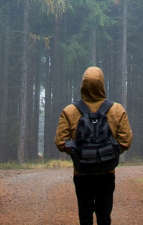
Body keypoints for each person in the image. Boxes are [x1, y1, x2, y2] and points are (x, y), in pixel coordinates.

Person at [55, 67, 133, 225]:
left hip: (82, 173)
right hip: (106, 172)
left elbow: (60, 141)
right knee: (104, 217)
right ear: (102, 84)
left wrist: (77, 152)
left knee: (85, 217)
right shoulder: (116, 110)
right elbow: (126, 141)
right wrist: (110, 152)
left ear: (82, 85)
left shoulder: (70, 111)